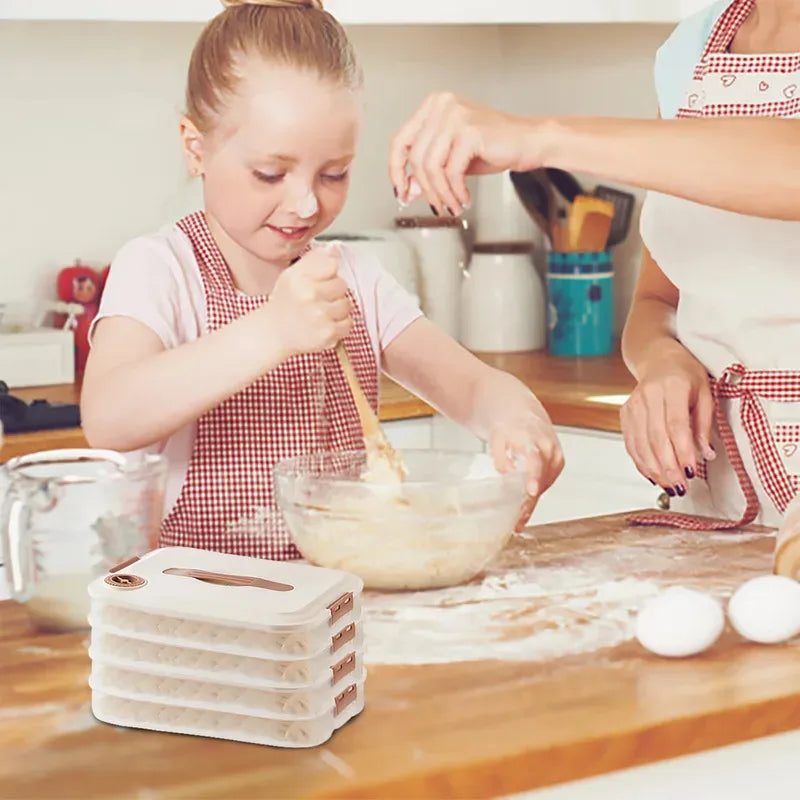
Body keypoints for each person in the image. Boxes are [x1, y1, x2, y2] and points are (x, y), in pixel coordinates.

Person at [80, 0, 564, 560]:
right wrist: (272, 331)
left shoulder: (354, 277)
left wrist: (518, 421)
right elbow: (108, 418)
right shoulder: (162, 268)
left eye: (334, 173)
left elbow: (474, 386)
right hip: (198, 607)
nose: (306, 202)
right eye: (270, 173)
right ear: (197, 148)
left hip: (338, 601)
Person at [390, 0, 800, 530]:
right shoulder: (690, 50)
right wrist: (661, 362)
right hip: (719, 501)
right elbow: (658, 300)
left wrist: (540, 137)